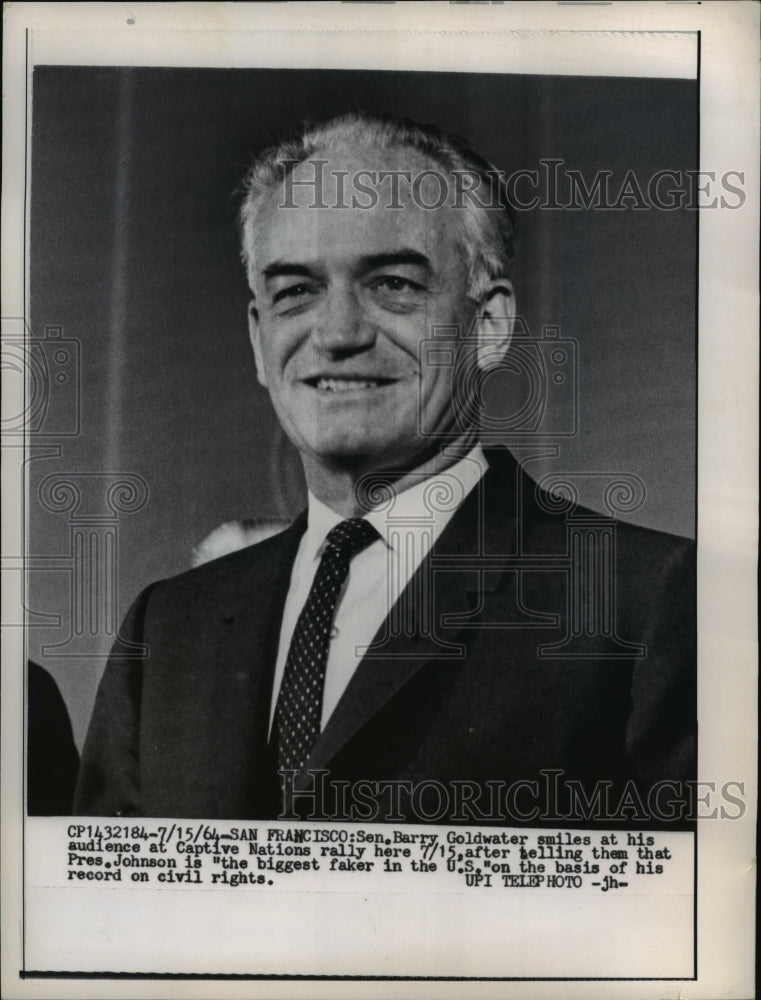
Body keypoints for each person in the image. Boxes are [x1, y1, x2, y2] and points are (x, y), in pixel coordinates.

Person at [74, 112, 695, 826]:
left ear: (488, 326)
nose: (338, 333)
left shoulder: (645, 604)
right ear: (257, 339)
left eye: (393, 284)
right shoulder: (168, 627)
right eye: (295, 291)